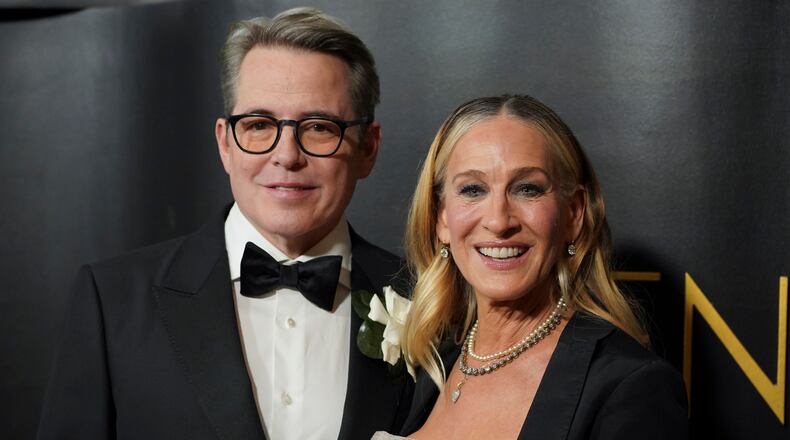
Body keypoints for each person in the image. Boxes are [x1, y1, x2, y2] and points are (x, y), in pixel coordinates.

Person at [37, 7, 413, 440]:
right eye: (258, 125)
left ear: (368, 149)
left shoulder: (430, 303)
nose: (287, 155)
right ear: (225, 144)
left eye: (318, 127)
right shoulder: (111, 303)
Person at [375, 94, 688, 439]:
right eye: (473, 189)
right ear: (442, 218)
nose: (498, 220)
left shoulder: (629, 387)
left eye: (527, 189)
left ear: (573, 214)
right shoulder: (432, 363)